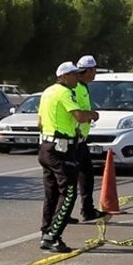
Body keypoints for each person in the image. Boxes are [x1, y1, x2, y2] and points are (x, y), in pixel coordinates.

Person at [37, 61, 99, 253]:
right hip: (60, 148)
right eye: (72, 74)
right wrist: (93, 114)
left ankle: (46, 230)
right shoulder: (64, 92)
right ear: (63, 76)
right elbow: (79, 116)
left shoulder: (47, 92)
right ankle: (53, 236)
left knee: (52, 192)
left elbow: (39, 121)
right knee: (69, 191)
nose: (76, 77)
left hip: (46, 146)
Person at [73, 54, 106, 222]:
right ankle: (70, 213)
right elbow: (76, 113)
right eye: (93, 71)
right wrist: (91, 115)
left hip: (81, 139)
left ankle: (87, 209)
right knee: (73, 178)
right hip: (73, 139)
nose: (95, 74)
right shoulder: (76, 88)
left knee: (86, 175)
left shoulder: (83, 87)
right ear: (88, 71)